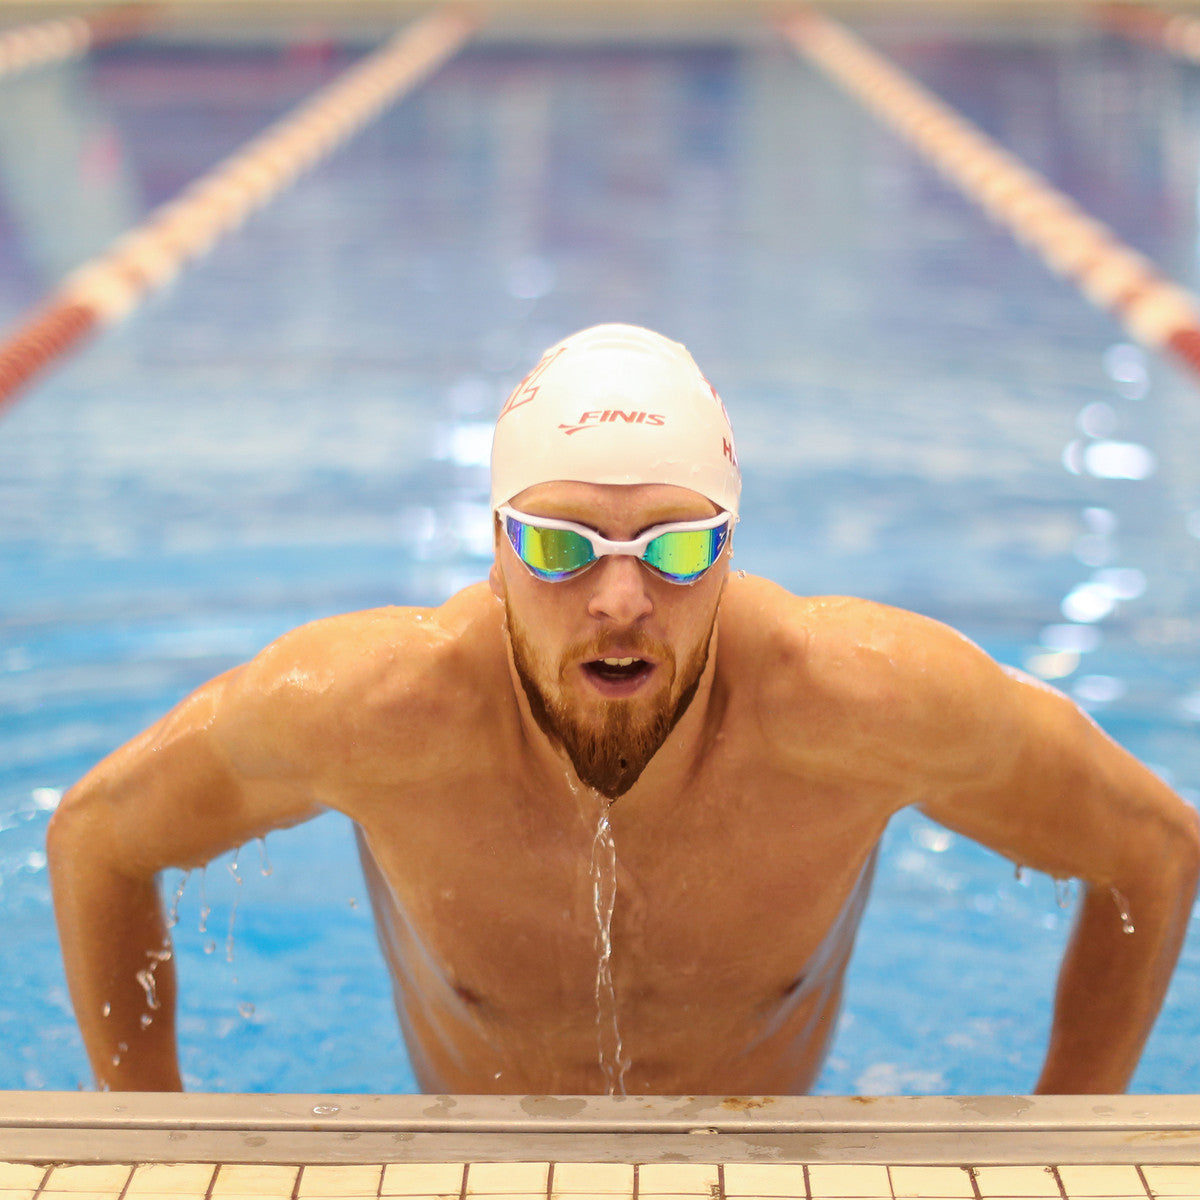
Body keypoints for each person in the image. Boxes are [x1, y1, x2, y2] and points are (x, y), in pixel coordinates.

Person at [48, 323, 1199, 1096]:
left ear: (734, 548)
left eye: (677, 546)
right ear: (492, 552)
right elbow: (97, 837)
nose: (618, 600)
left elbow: (1151, 848)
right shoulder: (365, 711)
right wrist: (149, 1134)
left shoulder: (866, 701)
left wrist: (1066, 1132)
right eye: (557, 547)